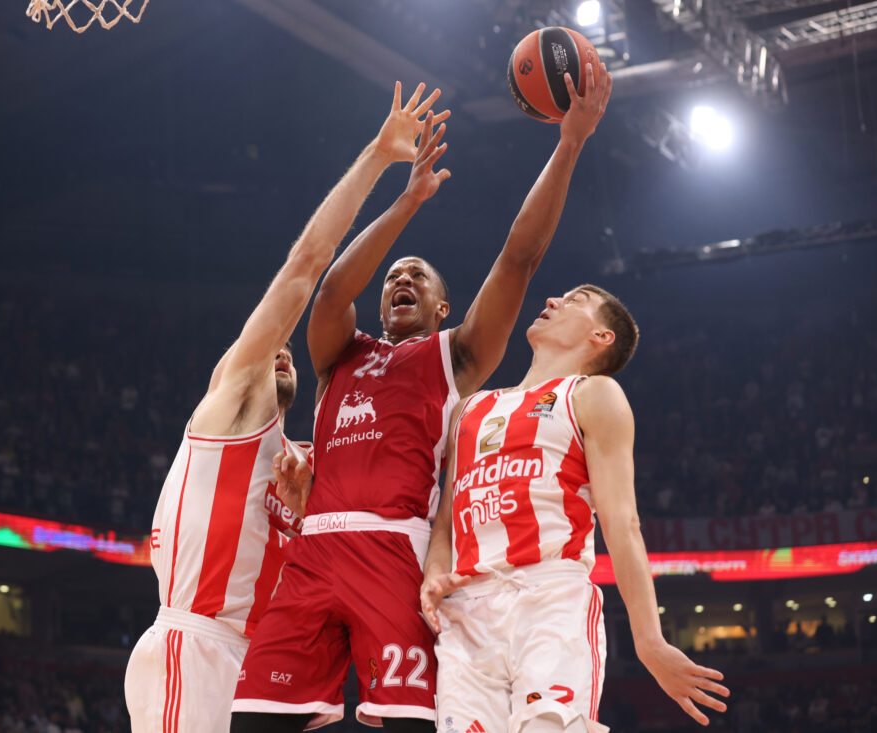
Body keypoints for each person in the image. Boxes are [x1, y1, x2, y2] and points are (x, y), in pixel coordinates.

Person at [231, 65, 612, 732]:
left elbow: (519, 257)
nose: (401, 275)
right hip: (313, 554)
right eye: (394, 273)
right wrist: (406, 202)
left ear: (442, 306)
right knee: (253, 720)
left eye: (418, 274)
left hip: (398, 553)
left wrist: (570, 143)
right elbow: (329, 293)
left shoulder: (455, 356)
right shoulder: (339, 353)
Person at [123, 81, 448, 733]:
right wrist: (379, 160)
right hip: (197, 643)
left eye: (288, 355)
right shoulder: (233, 399)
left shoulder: (301, 467)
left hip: (265, 659)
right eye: (269, 349)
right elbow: (307, 267)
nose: (280, 356)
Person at [420, 285, 731, 732]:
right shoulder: (470, 409)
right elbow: (446, 521)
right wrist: (433, 572)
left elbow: (623, 522)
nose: (552, 301)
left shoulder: (593, 394)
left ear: (602, 336)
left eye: (575, 300)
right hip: (467, 612)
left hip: (550, 598)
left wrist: (649, 642)